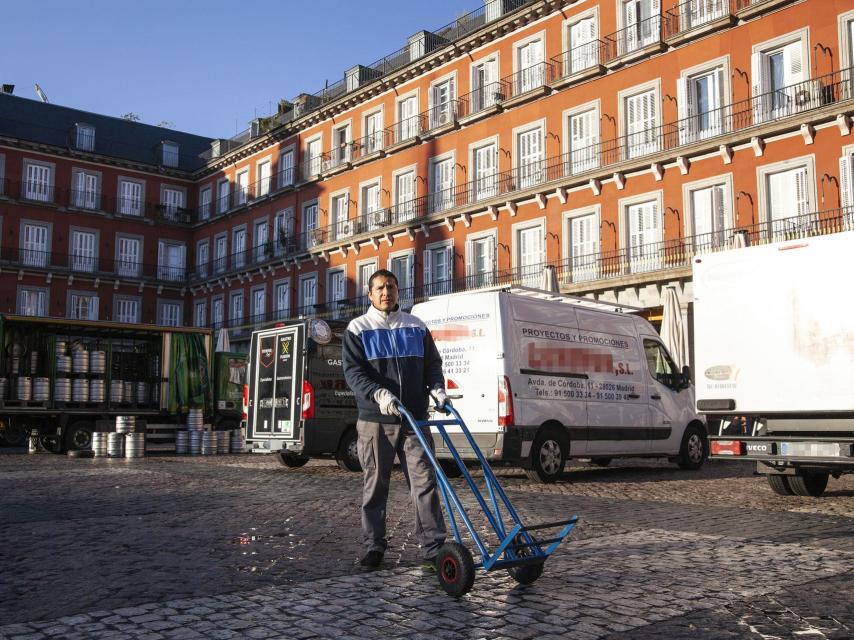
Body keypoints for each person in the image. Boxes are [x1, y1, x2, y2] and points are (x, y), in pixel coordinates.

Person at [342, 268, 448, 570]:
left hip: (414, 418)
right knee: (376, 484)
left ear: (398, 291)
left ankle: (433, 547)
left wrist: (437, 390)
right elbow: (354, 373)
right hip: (377, 418)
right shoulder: (358, 328)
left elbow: (432, 364)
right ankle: (374, 545)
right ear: (370, 294)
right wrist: (379, 394)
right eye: (379, 288)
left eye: (390, 286)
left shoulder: (416, 326)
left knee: (425, 482)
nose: (386, 292)